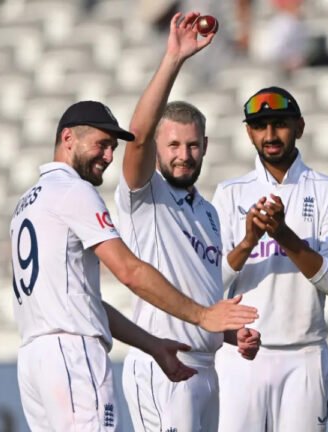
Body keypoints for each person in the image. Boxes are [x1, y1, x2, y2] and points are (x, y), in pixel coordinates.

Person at [10, 93, 258, 430]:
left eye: (113, 146)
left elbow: (88, 303)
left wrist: (153, 345)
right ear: (68, 138)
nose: (110, 155)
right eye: (102, 143)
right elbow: (129, 271)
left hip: (36, 356)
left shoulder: (28, 202)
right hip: (73, 350)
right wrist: (202, 315)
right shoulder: (75, 191)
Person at [112, 12, 261, 432]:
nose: (183, 154)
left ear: (206, 146)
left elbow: (204, 294)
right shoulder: (145, 196)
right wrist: (174, 58)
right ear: (158, 146)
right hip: (164, 365)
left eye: (193, 145)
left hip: (207, 369)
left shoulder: (209, 212)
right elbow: (137, 135)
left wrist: (231, 335)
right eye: (173, 144)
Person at [212, 86, 328, 431]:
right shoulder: (230, 193)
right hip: (241, 357)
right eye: (260, 126)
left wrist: (283, 235)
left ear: (299, 127)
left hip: (304, 355)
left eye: (280, 124)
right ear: (248, 132)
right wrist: (248, 241)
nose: (270, 135)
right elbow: (211, 283)